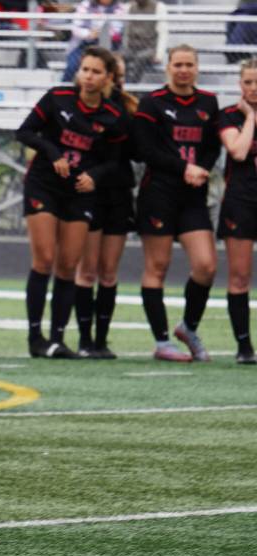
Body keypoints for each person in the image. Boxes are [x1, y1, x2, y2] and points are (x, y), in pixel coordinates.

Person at [17, 45, 126, 359]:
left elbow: (115, 161)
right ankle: (35, 337)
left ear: (107, 78)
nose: (89, 77)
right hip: (44, 185)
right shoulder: (58, 98)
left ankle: (57, 338)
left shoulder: (113, 116)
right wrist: (53, 154)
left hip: (79, 192)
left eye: (96, 72)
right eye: (85, 69)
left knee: (67, 265)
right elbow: (23, 133)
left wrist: (95, 175)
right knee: (45, 259)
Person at [133, 45, 221, 362]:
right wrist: (184, 168)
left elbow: (212, 146)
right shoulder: (152, 103)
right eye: (178, 64)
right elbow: (145, 149)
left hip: (193, 196)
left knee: (206, 266)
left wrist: (204, 169)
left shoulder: (208, 102)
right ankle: (161, 342)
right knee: (157, 267)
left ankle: (188, 327)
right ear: (168, 67)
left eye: (189, 64)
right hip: (159, 193)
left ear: (197, 68)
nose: (184, 69)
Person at [73, 53, 137, 359]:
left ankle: (102, 339)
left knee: (109, 272)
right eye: (89, 70)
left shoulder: (124, 109)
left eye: (109, 73)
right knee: (87, 270)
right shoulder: (81, 105)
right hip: (90, 192)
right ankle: (85, 340)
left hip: (118, 192)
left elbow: (132, 152)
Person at [216, 58, 257, 364]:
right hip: (241, 201)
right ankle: (244, 347)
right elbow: (239, 151)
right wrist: (252, 118)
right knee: (239, 276)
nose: (253, 88)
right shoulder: (229, 115)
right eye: (248, 82)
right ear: (239, 84)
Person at [62, 0, 125, 83]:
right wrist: (89, 33)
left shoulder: (119, 7)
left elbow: (116, 30)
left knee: (114, 68)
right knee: (72, 66)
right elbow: (76, 28)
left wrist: (101, 33)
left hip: (109, 46)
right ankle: (64, 89)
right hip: (83, 44)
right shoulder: (86, 4)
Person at [123, 0, 168, 83]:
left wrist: (159, 55)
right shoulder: (129, 7)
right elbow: (125, 32)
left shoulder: (159, 7)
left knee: (140, 58)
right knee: (120, 57)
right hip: (131, 47)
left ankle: (133, 87)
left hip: (149, 48)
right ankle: (122, 86)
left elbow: (163, 33)